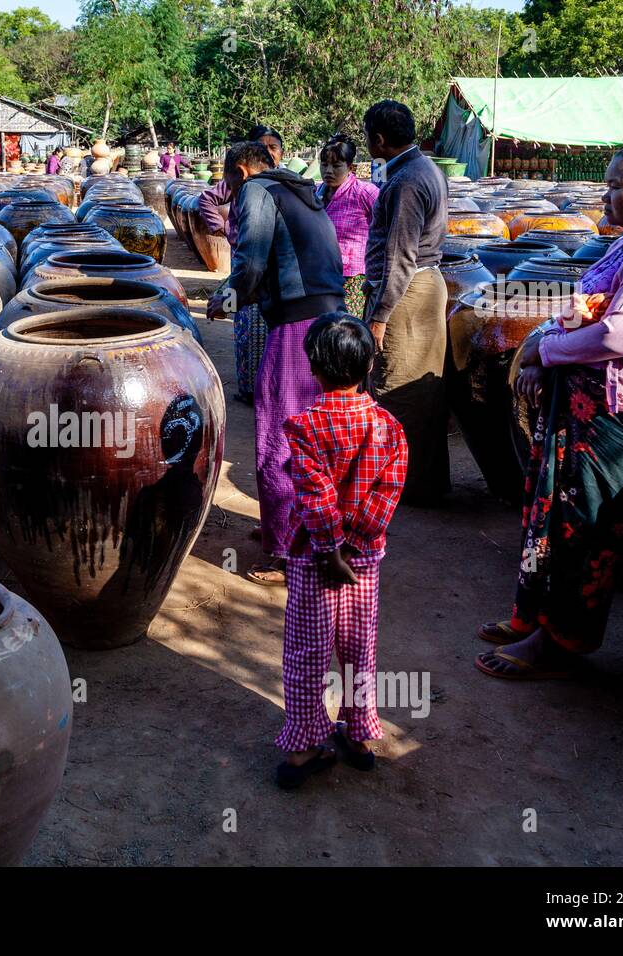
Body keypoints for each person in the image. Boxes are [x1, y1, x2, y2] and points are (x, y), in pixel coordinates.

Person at [476, 143, 623, 679]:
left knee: (586, 526)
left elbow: (617, 332)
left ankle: (562, 640)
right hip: (588, 408)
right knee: (551, 510)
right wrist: (542, 352)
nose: (606, 195)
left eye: (616, 186)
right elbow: (576, 299)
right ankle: (532, 615)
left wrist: (545, 350)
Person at [273, 313, 408, 789]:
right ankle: (360, 735)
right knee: (359, 645)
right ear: (370, 364)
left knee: (307, 651)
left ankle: (304, 747)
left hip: (315, 559)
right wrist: (352, 545)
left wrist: (330, 549)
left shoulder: (305, 426)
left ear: (314, 368)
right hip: (364, 561)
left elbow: (315, 495)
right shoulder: (390, 427)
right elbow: (386, 494)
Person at [206, 141, 346, 587]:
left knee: (281, 432)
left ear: (242, 172)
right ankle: (296, 527)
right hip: (330, 317)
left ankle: (286, 549)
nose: (228, 193)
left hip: (297, 325)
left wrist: (225, 297)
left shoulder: (257, 191)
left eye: (228, 183)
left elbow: (250, 260)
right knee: (315, 430)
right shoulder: (300, 189)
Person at [362, 99, 450, 505]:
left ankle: (403, 486)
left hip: (407, 294)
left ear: (379, 139)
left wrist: (380, 315)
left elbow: (400, 256)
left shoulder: (406, 182)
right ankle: (421, 484)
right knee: (420, 394)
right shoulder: (423, 168)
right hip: (423, 288)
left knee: (395, 387)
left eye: (368, 137)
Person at [200, 126, 286, 404]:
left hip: (268, 268)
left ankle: (268, 389)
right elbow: (207, 199)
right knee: (248, 330)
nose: (269, 152)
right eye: (263, 147)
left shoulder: (282, 183)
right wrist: (223, 228)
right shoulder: (244, 183)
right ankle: (250, 389)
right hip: (248, 262)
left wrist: (230, 299)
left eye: (273, 147)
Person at [317, 133, 379, 317]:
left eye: (336, 166)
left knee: (346, 332)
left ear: (350, 167)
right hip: (321, 275)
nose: (328, 171)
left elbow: (389, 224)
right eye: (324, 165)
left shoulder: (365, 193)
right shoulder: (316, 192)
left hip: (352, 279)